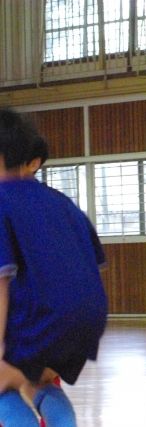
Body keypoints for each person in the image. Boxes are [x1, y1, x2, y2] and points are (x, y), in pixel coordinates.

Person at [0, 107, 108, 427]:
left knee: (3, 385)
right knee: (38, 381)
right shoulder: (60, 201)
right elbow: (94, 265)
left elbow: (1, 284)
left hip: (41, 319)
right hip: (87, 320)